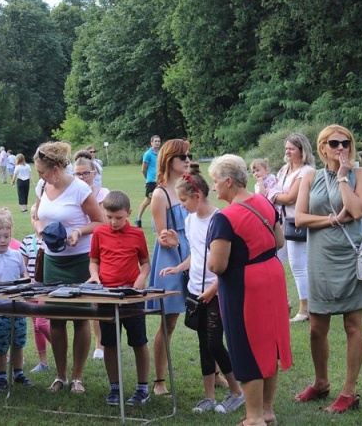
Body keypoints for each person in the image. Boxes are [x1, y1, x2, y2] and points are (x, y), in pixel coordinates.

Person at [207, 154, 292, 426]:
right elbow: (279, 241)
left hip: (245, 286)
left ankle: (253, 417)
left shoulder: (225, 217)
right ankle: (267, 411)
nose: (213, 187)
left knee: (246, 347)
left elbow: (217, 265)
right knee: (269, 344)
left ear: (229, 182)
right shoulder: (264, 202)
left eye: (216, 181)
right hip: (273, 276)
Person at [294, 124, 362, 414]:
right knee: (317, 327)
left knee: (352, 323)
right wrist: (332, 220)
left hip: (351, 256)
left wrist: (341, 177)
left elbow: (357, 210)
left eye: (346, 143)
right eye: (335, 143)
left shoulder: (360, 175)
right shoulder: (310, 176)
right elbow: (299, 218)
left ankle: (349, 392)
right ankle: (321, 383)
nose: (341, 148)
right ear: (322, 148)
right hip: (320, 257)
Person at [159, 165, 245, 414]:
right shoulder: (189, 220)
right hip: (195, 289)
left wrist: (214, 288)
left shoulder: (220, 220)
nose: (181, 205)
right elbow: (196, 254)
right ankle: (209, 397)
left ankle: (237, 392)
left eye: (184, 200)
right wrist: (179, 267)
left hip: (216, 291)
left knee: (214, 342)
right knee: (203, 344)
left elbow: (227, 262)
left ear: (197, 196)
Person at [32, 141, 104, 394]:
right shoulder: (42, 186)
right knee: (56, 319)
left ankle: (77, 377)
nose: (39, 176)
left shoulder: (79, 189)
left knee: (80, 317)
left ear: (55, 169)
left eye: (42, 171)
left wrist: (78, 232)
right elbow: (36, 216)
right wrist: (40, 230)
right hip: (52, 261)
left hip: (79, 260)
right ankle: (60, 376)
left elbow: (99, 222)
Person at [88, 190, 152, 406]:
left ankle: (142, 388)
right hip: (107, 296)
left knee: (138, 341)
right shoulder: (99, 233)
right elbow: (94, 261)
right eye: (109, 217)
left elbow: (145, 263)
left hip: (131, 297)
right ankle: (114, 388)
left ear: (129, 213)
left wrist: (141, 278)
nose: (114, 222)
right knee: (109, 342)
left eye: (119, 217)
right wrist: (95, 276)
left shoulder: (137, 234)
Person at [147, 138, 191, 396]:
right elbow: (162, 235)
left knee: (207, 319)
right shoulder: (159, 194)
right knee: (168, 322)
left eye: (188, 156)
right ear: (168, 160)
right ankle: (159, 381)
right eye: (182, 157)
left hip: (194, 252)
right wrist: (174, 243)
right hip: (170, 257)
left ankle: (216, 373)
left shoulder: (191, 185)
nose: (187, 160)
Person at [265, 133, 315, 323]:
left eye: (291, 149)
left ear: (302, 150)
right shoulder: (284, 169)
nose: (287, 152)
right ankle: (279, 303)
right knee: (274, 260)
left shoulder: (306, 171)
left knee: (298, 266)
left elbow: (290, 198)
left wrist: (272, 194)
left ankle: (306, 308)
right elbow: (274, 191)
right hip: (281, 223)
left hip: (296, 223)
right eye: (286, 148)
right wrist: (275, 194)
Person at [0, 217, 32, 390]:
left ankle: (18, 373)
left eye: (6, 236)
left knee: (18, 342)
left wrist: (27, 283)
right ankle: (2, 376)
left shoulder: (17, 256)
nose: (3, 240)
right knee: (0, 345)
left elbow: (23, 275)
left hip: (17, 308)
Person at [74, 152, 110, 361]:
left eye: (85, 173)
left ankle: (99, 343)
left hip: (99, 248)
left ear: (94, 173)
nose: (81, 178)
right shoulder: (72, 192)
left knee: (96, 298)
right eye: (77, 174)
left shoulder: (102, 193)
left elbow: (104, 222)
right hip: (78, 248)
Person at [19, 204, 51, 373]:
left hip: (46, 290)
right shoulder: (27, 241)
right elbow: (22, 267)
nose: (36, 221)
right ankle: (43, 362)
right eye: (33, 217)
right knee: (36, 326)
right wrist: (27, 280)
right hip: (32, 289)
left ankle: (61, 347)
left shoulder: (51, 241)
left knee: (42, 323)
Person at [134, 135, 161, 228]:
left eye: (158, 141)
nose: (157, 143)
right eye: (155, 141)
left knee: (160, 199)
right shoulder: (148, 154)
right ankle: (138, 218)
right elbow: (143, 169)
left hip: (160, 180)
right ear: (151, 142)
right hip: (151, 181)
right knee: (148, 200)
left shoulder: (161, 153)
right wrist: (147, 179)